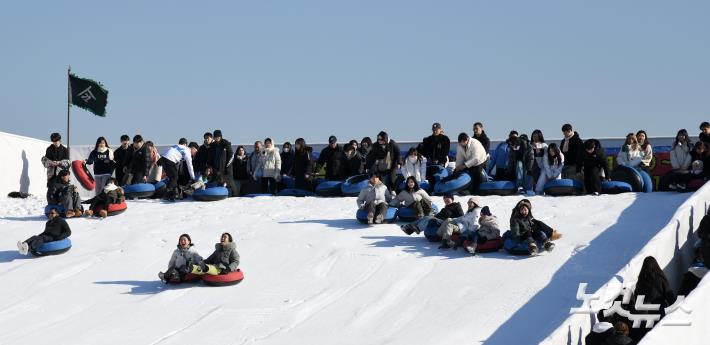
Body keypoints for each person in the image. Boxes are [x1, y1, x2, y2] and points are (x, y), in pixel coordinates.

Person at [208, 130, 237, 196]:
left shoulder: (226, 144)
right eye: (215, 137)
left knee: (230, 184)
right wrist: (209, 167)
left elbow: (231, 156)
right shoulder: (212, 146)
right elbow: (209, 158)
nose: (217, 138)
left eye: (218, 136)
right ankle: (220, 197)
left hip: (226, 169)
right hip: (216, 169)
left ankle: (235, 197)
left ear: (221, 137)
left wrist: (227, 166)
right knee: (218, 184)